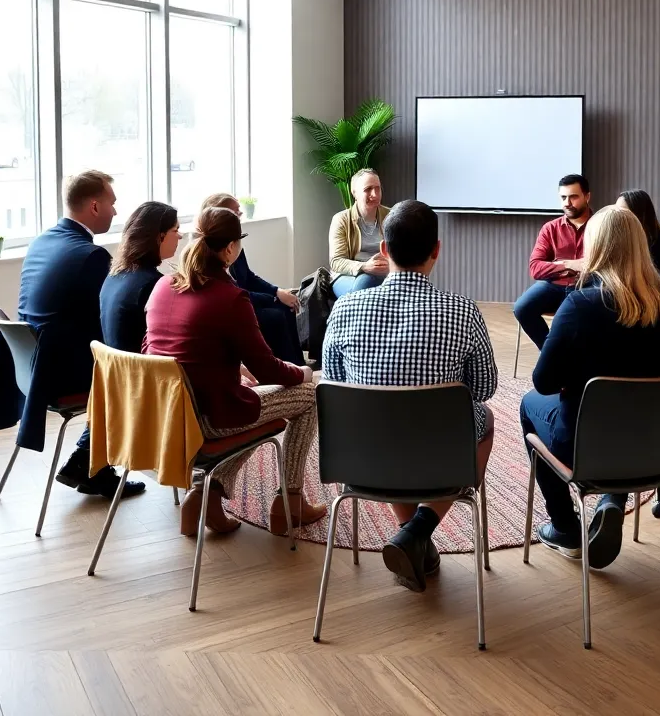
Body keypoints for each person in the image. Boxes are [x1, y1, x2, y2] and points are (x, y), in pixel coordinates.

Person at [323, 200, 498, 592]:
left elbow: (334, 386)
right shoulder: (463, 312)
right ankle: (419, 529)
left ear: (383, 249)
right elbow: (484, 389)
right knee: (485, 418)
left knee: (380, 420)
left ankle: (411, 532)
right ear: (437, 249)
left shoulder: (344, 308)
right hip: (439, 456)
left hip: (363, 458)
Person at [520, 206, 660, 568]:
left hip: (586, 447)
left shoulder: (579, 305)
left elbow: (544, 381)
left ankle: (566, 528)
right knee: (627, 411)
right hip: (657, 445)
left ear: (595, 248)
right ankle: (613, 496)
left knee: (529, 404)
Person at [144, 207, 325, 536]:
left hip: (169, 417)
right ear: (230, 249)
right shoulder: (230, 297)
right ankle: (291, 502)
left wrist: (229, 367)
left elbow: (156, 351)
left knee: (259, 403)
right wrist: (304, 372)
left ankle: (206, 495)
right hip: (213, 419)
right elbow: (268, 369)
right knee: (309, 396)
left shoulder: (163, 286)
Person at [0, 170, 145, 500]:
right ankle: (88, 463)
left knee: (116, 365)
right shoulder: (90, 255)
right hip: (56, 374)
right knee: (130, 371)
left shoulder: (43, 241)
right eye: (112, 203)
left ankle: (90, 464)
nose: (116, 211)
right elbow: (108, 320)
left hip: (31, 367)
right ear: (94, 206)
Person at [201, 192, 304, 366]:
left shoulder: (234, 243)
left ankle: (297, 366)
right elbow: (229, 292)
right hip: (235, 305)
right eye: (235, 212)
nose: (240, 215)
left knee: (286, 307)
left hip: (244, 298)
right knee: (275, 316)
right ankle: (282, 369)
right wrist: (272, 297)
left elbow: (248, 277)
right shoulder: (211, 249)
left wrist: (277, 291)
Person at [513, 174, 593, 349]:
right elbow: (535, 268)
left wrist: (555, 265)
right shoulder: (550, 228)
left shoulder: (602, 226)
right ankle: (552, 354)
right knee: (522, 308)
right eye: (563, 197)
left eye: (573, 197)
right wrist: (568, 265)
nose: (567, 203)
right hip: (554, 285)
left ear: (587, 196)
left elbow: (602, 265)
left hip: (587, 287)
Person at [100, 202, 180, 353]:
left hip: (118, 373)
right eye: (175, 230)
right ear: (159, 237)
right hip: (143, 372)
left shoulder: (114, 275)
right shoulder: (154, 285)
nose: (180, 236)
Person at [329, 168, 391, 297]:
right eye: (368, 189)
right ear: (355, 193)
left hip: (385, 274)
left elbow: (401, 253)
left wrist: (389, 266)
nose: (374, 194)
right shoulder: (341, 220)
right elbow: (336, 261)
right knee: (366, 281)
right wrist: (364, 267)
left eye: (377, 188)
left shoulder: (391, 216)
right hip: (348, 276)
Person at [616, 189, 660, 281]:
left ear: (638, 214)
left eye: (623, 212)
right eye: (616, 211)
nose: (617, 216)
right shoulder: (616, 238)